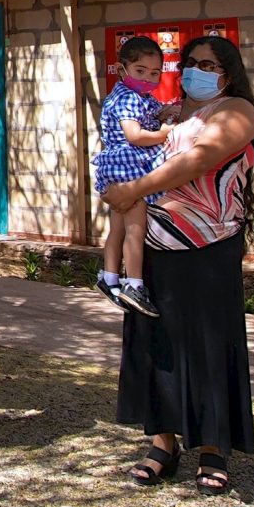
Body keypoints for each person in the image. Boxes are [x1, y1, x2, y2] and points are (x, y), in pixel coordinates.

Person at [102, 34, 254, 497]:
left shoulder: (236, 111)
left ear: (228, 72)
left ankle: (213, 448)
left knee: (210, 345)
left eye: (209, 64)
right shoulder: (173, 112)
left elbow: (201, 159)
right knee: (158, 345)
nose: (197, 70)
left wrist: (133, 188)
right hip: (157, 248)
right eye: (191, 62)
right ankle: (163, 441)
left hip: (209, 250)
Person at [94, 34, 175, 316]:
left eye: (154, 73)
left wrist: (169, 110)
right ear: (122, 69)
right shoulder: (128, 98)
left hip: (119, 168)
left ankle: (109, 277)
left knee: (117, 227)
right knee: (135, 228)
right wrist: (163, 133)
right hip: (129, 166)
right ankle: (135, 284)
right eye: (140, 71)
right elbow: (135, 135)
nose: (148, 78)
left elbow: (155, 111)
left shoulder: (137, 96)